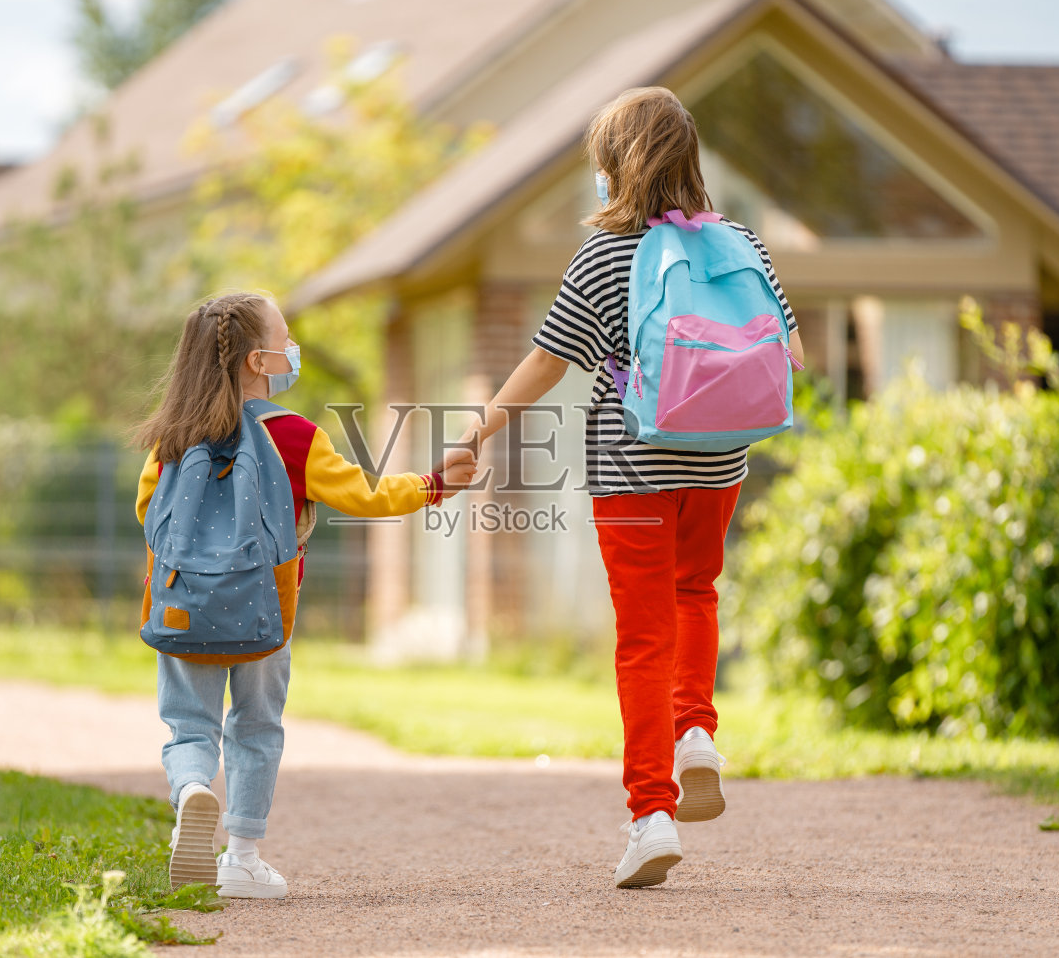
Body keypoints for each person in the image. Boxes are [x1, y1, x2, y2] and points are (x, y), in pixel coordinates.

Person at [441, 88, 804, 888]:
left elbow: (545, 362)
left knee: (642, 638)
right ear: (690, 159)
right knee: (697, 591)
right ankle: (697, 730)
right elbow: (793, 351)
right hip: (718, 463)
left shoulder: (603, 254)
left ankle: (651, 815)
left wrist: (478, 430)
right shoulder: (741, 241)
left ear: (613, 166)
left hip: (632, 467)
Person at [133, 291, 475, 899]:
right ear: (258, 362)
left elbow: (148, 514)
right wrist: (434, 483)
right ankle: (241, 858)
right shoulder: (295, 437)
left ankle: (191, 794)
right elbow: (366, 495)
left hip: (183, 611)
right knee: (257, 726)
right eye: (284, 339)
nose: (292, 349)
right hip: (266, 614)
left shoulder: (172, 438)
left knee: (189, 727)